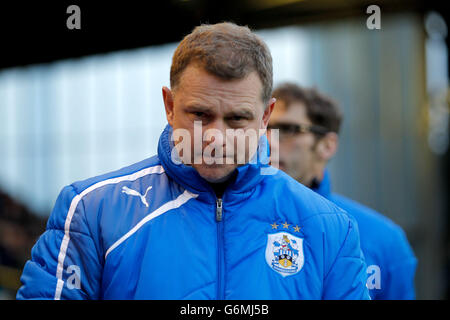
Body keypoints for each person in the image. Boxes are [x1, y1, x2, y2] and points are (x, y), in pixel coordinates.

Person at [16, 23, 370, 300]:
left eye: (237, 119)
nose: (216, 137)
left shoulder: (329, 229)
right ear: (169, 106)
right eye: (200, 114)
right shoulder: (92, 212)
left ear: (266, 118)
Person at [268, 82, 417, 299]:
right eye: (264, 129)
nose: (268, 141)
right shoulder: (234, 224)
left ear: (327, 145)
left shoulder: (383, 240)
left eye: (288, 130)